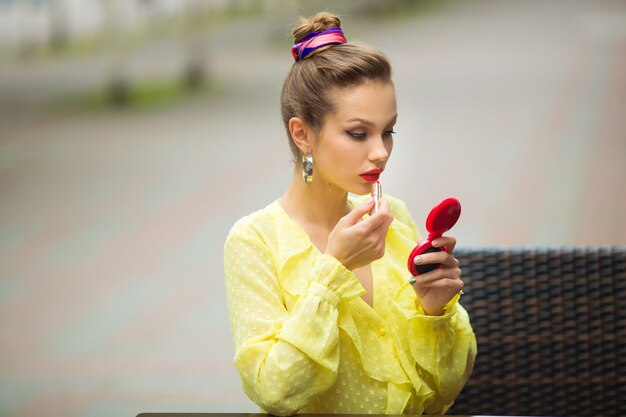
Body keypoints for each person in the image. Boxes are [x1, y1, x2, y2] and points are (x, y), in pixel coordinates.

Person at [223, 12, 476, 415]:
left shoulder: (392, 217)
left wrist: (435, 312)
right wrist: (334, 271)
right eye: (358, 133)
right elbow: (275, 392)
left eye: (388, 131)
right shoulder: (255, 240)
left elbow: (444, 389)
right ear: (302, 133)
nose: (380, 151)